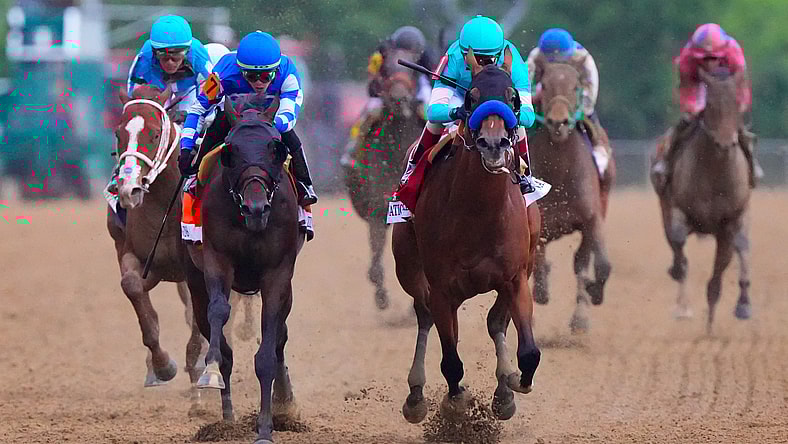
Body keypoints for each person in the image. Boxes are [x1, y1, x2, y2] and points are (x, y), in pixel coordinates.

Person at [396, 15, 536, 195]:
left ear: (499, 55)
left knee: (521, 128)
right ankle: (411, 171)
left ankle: (526, 177)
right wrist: (456, 112)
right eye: (473, 58)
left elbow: (528, 117)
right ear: (464, 53)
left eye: (485, 60)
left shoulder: (514, 61)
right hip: (463, 97)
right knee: (435, 123)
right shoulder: (454, 56)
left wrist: (508, 113)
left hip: (500, 101)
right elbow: (434, 111)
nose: (478, 64)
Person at [178, 30, 317, 206]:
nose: (259, 83)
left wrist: (271, 123)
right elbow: (198, 109)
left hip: (271, 118)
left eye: (266, 76)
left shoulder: (288, 71)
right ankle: (194, 178)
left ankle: (304, 185)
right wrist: (186, 148)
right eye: (251, 76)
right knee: (214, 129)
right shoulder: (223, 72)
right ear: (240, 69)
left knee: (291, 137)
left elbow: (288, 115)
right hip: (233, 117)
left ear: (276, 70)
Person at [652, 23, 761, 188]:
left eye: (714, 58)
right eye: (704, 59)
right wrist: (692, 107)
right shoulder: (687, 59)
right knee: (685, 122)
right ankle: (667, 162)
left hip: (727, 87)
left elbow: (742, 86)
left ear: (723, 54)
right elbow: (686, 88)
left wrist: (741, 105)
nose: (709, 63)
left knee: (736, 126)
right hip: (698, 85)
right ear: (696, 56)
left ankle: (752, 165)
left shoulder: (734, 53)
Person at [339, 26, 438, 167]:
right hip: (387, 90)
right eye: (401, 53)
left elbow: (431, 80)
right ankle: (353, 151)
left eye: (409, 53)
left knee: (429, 114)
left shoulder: (427, 57)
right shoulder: (381, 54)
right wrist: (380, 90)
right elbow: (373, 80)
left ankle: (436, 148)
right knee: (371, 111)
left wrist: (418, 99)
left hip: (417, 90)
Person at [526, 28, 610, 175]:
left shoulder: (583, 58)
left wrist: (582, 108)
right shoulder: (535, 57)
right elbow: (524, 84)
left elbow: (591, 88)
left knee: (593, 123)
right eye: (551, 58)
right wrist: (531, 99)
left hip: (574, 99)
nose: (556, 61)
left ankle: (600, 155)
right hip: (545, 99)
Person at [126, 15, 213, 123]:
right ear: (153, 51)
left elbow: (215, 83)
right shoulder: (145, 55)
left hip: (186, 88)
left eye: (177, 54)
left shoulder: (197, 51)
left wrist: (198, 114)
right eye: (163, 54)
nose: (170, 62)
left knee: (191, 118)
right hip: (158, 89)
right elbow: (133, 87)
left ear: (187, 51)